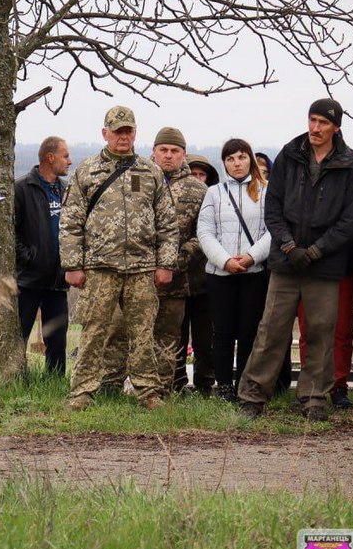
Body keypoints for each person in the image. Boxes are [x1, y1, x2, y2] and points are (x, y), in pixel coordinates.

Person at [237, 99, 353, 421]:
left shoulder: (350, 163)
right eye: (312, 120)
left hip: (325, 264)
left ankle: (313, 398)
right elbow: (273, 207)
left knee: (321, 333)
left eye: (323, 122)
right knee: (271, 330)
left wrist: (318, 250)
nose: (316, 128)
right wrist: (290, 247)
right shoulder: (289, 155)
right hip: (285, 261)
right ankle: (252, 397)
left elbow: (351, 219)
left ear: (336, 127)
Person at [59, 106, 177, 410]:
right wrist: (73, 265)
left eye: (128, 131)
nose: (123, 136)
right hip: (100, 267)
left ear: (135, 133)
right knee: (94, 331)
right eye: (117, 131)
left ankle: (147, 392)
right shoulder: (86, 171)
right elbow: (70, 222)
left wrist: (165, 263)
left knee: (142, 333)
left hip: (141, 267)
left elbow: (167, 222)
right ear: (105, 133)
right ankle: (82, 393)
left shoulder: (150, 172)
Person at [102, 127, 206, 394]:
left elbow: (203, 234)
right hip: (132, 276)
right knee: (119, 332)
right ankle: (110, 387)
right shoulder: (136, 178)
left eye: (174, 151)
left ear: (184, 154)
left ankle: (159, 391)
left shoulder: (198, 190)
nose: (168, 156)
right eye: (163, 150)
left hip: (174, 280)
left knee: (166, 337)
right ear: (154, 151)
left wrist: (173, 261)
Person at [197, 138, 272, 400]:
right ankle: (224, 385)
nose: (236, 163)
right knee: (223, 332)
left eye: (241, 157)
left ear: (250, 158)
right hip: (221, 274)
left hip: (254, 274)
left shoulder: (266, 191)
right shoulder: (214, 193)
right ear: (224, 162)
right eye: (230, 158)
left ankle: (245, 383)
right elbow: (205, 232)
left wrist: (251, 257)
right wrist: (225, 261)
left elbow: (273, 230)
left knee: (250, 331)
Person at [14, 136, 72, 376]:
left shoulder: (66, 190)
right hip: (28, 280)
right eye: (65, 156)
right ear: (50, 157)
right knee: (19, 336)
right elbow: (11, 232)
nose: (70, 161)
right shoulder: (22, 188)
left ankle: (55, 384)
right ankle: (14, 381)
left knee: (57, 340)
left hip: (58, 280)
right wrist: (29, 258)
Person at [178, 154, 219, 394]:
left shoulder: (215, 203)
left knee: (205, 339)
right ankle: (178, 383)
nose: (197, 179)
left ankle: (205, 383)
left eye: (202, 175)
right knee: (178, 337)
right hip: (178, 280)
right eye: (193, 174)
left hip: (206, 281)